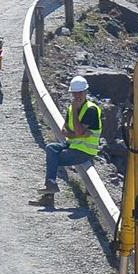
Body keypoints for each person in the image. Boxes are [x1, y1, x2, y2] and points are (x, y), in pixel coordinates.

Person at [39, 76, 103, 207]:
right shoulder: (71, 108)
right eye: (75, 93)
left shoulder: (91, 110)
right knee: (51, 148)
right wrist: (75, 134)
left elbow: (77, 131)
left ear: (85, 92)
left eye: (80, 93)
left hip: (85, 151)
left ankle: (49, 194)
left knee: (54, 158)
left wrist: (74, 130)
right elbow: (65, 129)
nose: (77, 96)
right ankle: (50, 187)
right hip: (72, 145)